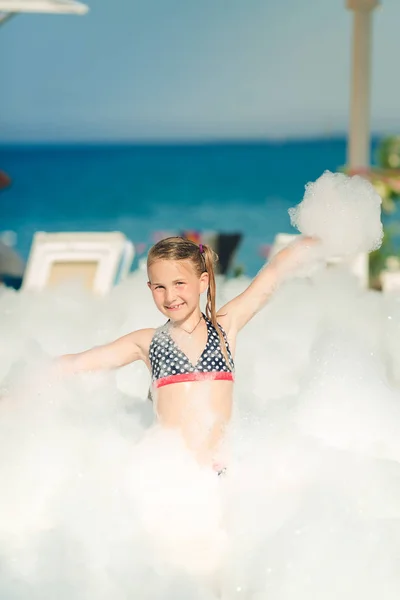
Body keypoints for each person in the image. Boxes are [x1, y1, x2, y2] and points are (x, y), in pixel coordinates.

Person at [57, 235, 318, 471]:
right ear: (150, 289)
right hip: (169, 474)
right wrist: (29, 381)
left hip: (219, 473)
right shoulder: (148, 342)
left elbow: (271, 277)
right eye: (160, 287)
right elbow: (80, 363)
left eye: (179, 283)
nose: (170, 296)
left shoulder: (224, 328)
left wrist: (322, 237)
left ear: (202, 281)